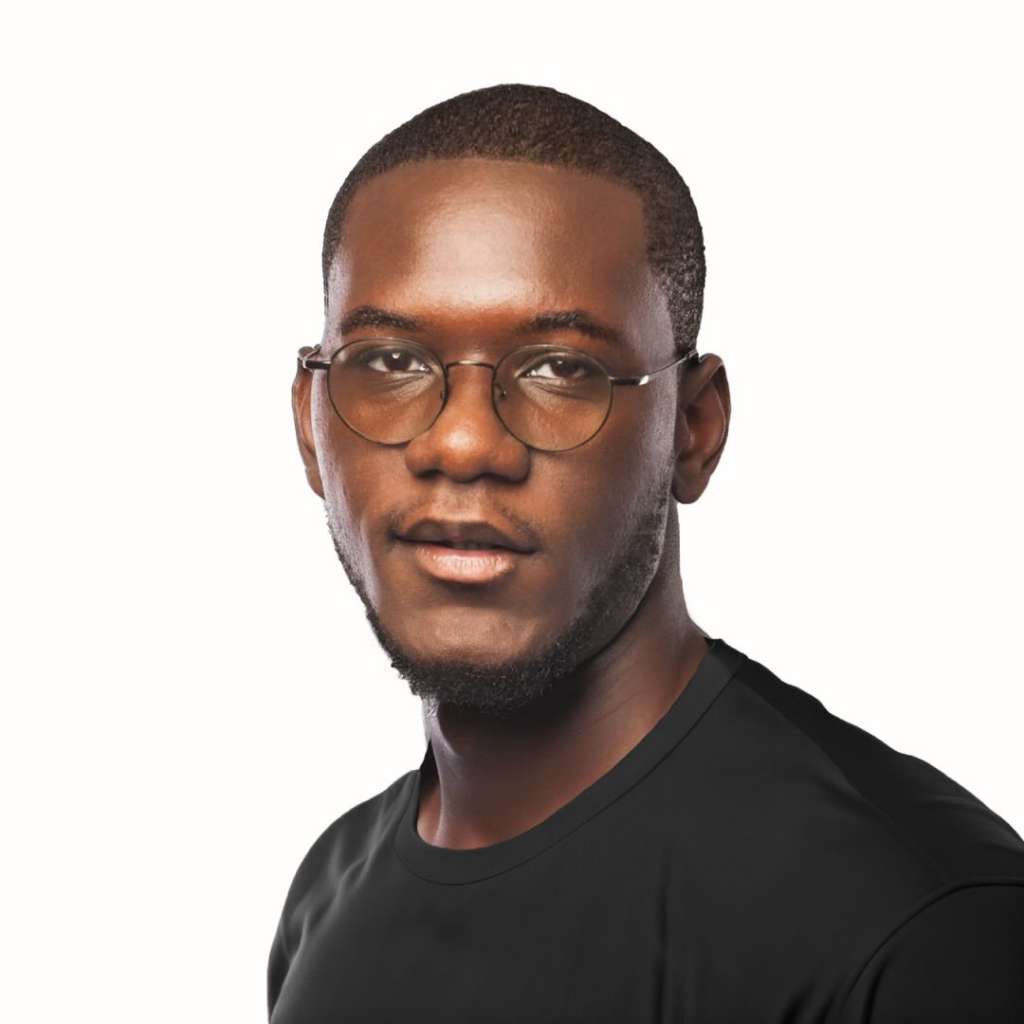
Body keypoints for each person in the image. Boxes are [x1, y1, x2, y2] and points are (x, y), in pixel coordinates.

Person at [269, 83, 1024, 1022]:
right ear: (310, 427)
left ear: (692, 430)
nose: (462, 444)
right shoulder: (326, 899)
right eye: (391, 361)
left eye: (560, 368)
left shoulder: (921, 929)